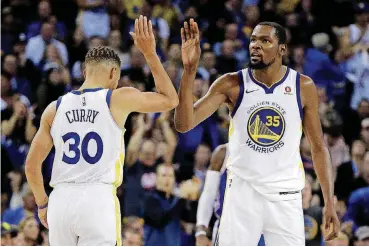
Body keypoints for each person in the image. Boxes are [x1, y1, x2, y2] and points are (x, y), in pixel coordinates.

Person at [174, 19, 340, 245]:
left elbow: (319, 148)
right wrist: (189, 70)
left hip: (285, 197)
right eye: (253, 40)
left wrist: (329, 201)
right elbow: (184, 123)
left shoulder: (303, 86)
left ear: (282, 49)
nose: (255, 45)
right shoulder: (231, 83)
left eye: (265, 40)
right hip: (242, 194)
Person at [24, 15, 178, 246]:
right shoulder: (116, 98)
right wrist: (149, 53)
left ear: (85, 73)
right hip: (97, 199)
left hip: (61, 200)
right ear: (114, 73)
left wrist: (43, 203)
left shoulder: (54, 108)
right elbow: (169, 99)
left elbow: (31, 166)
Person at [195, 144, 228, 246]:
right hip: (227, 228)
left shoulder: (272, 153)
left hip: (261, 228)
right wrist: (200, 231)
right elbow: (208, 194)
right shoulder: (224, 152)